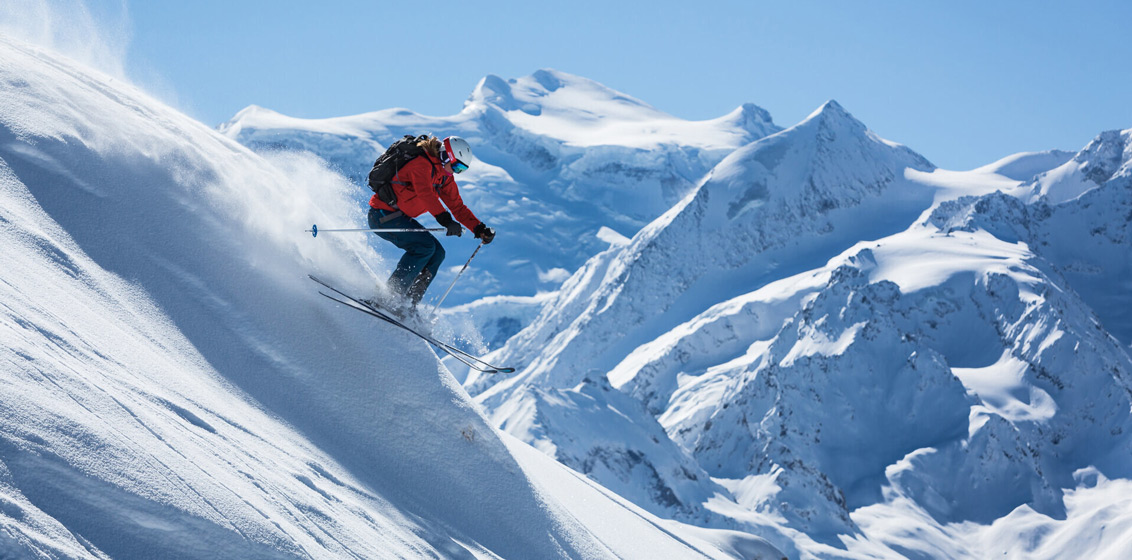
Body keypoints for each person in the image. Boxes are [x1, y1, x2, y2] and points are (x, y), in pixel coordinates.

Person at [367, 135, 494, 314]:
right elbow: (426, 194)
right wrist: (445, 220)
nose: (456, 172)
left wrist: (478, 228)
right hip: (382, 216)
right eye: (456, 166)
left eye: (461, 170)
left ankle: (408, 305)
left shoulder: (444, 177)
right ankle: (389, 297)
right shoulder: (421, 165)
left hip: (400, 217)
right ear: (446, 156)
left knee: (438, 253)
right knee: (424, 247)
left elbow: (457, 207)